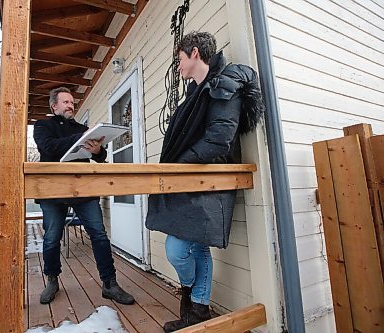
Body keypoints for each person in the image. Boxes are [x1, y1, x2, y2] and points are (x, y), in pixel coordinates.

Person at [145, 32, 264, 332]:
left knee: (177, 249)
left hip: (211, 180)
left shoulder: (224, 87)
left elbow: (220, 139)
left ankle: (191, 298)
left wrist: (180, 166)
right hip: (192, 180)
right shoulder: (195, 93)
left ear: (195, 54)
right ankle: (196, 312)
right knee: (196, 248)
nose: (178, 66)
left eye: (180, 59)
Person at [33, 87, 135, 306]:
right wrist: (78, 139)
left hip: (84, 188)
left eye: (72, 102)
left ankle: (110, 284)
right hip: (53, 190)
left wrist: (97, 150)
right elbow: (47, 147)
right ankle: (52, 280)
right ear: (54, 106)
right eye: (66, 102)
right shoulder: (43, 126)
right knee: (52, 237)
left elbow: (101, 157)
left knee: (99, 234)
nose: (71, 105)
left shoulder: (84, 128)